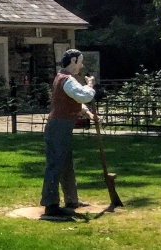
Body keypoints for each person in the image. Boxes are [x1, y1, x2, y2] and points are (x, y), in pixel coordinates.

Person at [41, 48, 96, 217]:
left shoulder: (66, 79)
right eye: (80, 61)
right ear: (73, 61)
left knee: (65, 163)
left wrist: (88, 114)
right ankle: (51, 205)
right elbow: (82, 95)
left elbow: (76, 101)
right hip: (59, 126)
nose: (82, 64)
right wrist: (90, 86)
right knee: (56, 163)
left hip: (61, 125)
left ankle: (71, 199)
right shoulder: (67, 79)